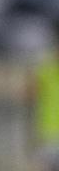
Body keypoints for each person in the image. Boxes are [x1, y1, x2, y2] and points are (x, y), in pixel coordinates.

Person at [32, 22, 59, 171]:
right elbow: (32, 92)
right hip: (49, 132)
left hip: (49, 132)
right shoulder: (46, 68)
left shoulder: (46, 67)